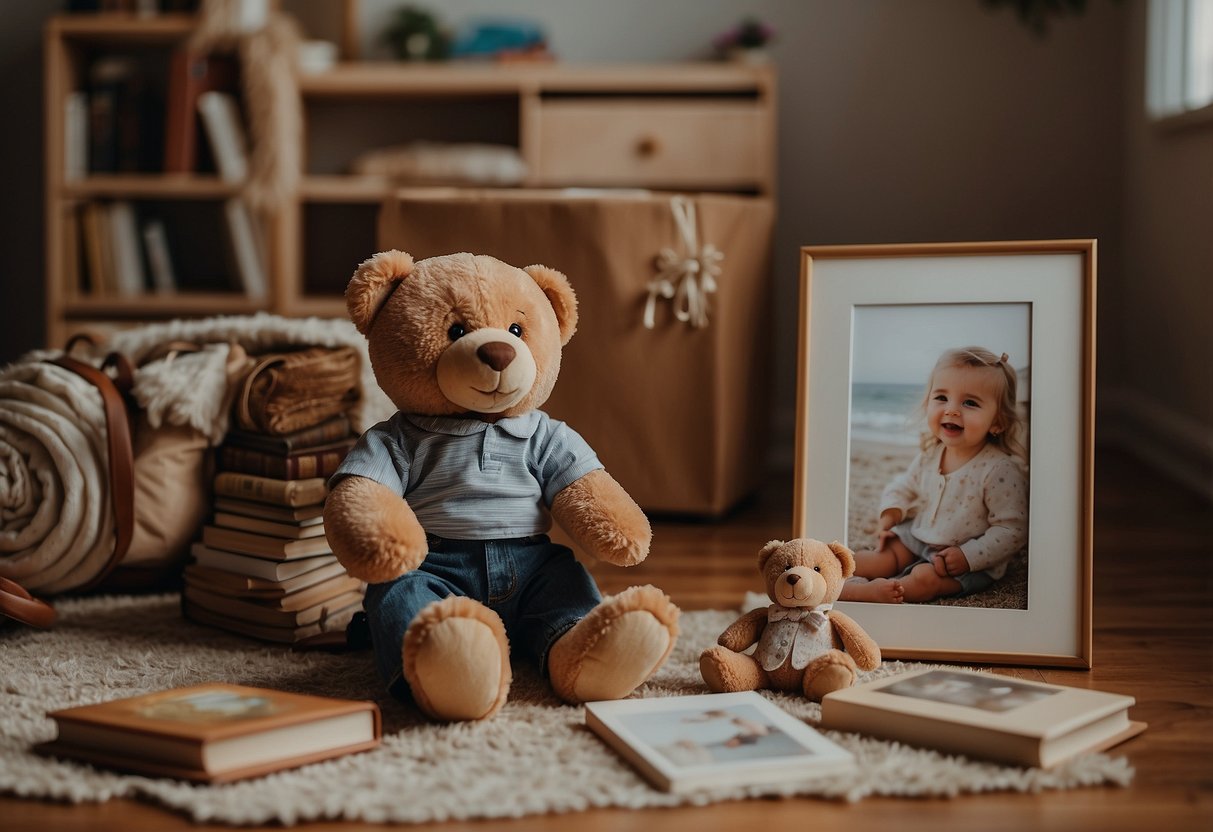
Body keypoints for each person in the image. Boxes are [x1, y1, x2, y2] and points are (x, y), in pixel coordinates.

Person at [841, 347, 1028, 604]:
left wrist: (967, 556)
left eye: (970, 402)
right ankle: (829, 568)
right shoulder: (931, 455)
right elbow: (904, 485)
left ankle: (879, 592)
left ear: (998, 422)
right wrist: (892, 512)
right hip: (921, 536)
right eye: (941, 397)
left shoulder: (999, 470)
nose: (951, 410)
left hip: (965, 558)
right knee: (883, 556)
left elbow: (1012, 530)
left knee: (924, 578)